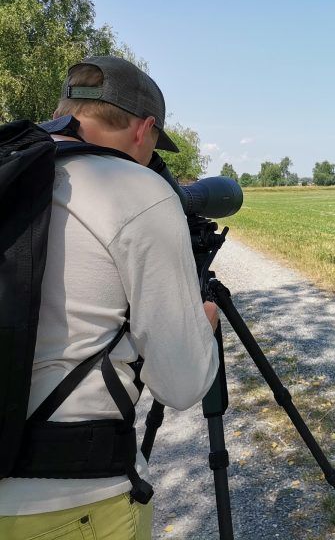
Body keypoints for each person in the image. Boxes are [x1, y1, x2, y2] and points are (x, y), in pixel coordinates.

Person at [0, 56, 220, 539]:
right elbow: (181, 387)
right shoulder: (137, 189)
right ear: (145, 129)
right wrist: (204, 320)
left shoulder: (12, 170)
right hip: (69, 502)